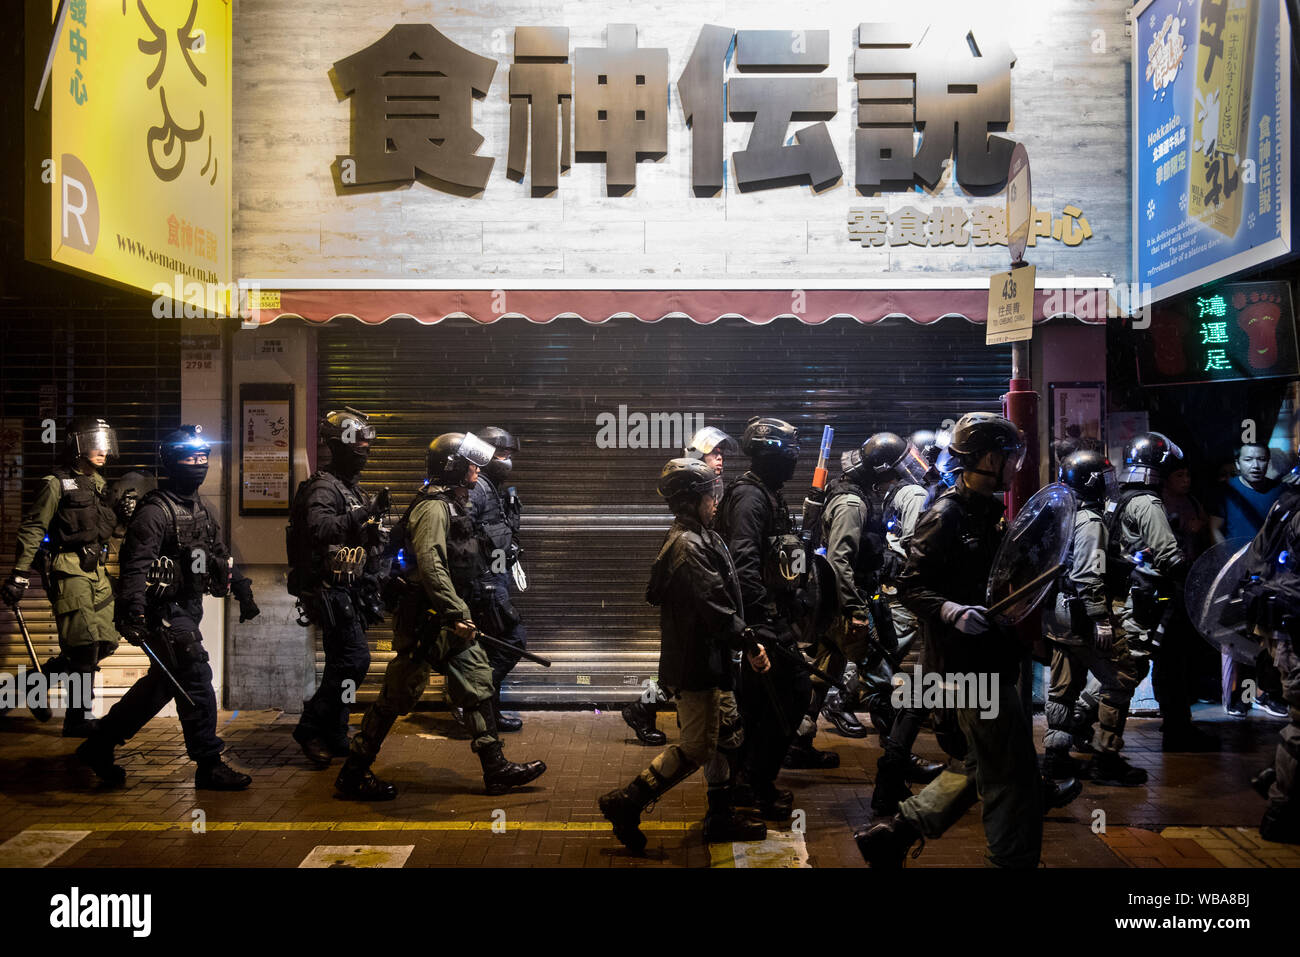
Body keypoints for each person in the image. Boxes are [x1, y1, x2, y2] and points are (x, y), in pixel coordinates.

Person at [855, 412, 1053, 868]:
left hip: (989, 658)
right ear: (986, 458)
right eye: (1007, 457)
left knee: (978, 765)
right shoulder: (947, 513)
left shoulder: (988, 513)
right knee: (1012, 776)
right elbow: (909, 583)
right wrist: (951, 611)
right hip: (966, 667)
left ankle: (893, 834)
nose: (1013, 466)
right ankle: (1012, 860)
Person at [335, 432, 546, 800]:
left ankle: (495, 769)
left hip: (444, 620)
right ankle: (353, 772)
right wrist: (456, 611)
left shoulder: (452, 503)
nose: (477, 471)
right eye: (471, 465)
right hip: (428, 621)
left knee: (478, 682)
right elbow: (432, 566)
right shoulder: (433, 508)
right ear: (453, 467)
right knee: (396, 697)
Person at [599, 458, 770, 852]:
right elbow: (714, 606)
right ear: (692, 500)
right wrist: (749, 641)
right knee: (697, 747)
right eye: (710, 494)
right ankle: (628, 802)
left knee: (728, 735)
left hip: (711, 661)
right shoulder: (688, 545)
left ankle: (720, 816)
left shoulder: (696, 535)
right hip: (698, 665)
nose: (716, 500)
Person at [76, 426, 259, 790]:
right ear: (171, 461)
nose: (197, 464)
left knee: (160, 686)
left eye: (203, 457)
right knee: (196, 678)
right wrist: (133, 613)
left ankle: (99, 744)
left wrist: (244, 591)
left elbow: (220, 554)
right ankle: (208, 762)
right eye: (189, 457)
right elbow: (135, 565)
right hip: (163, 613)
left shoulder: (202, 508)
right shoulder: (155, 512)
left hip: (189, 607)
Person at [1090, 432, 1215, 752]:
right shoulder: (1147, 502)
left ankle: (1175, 727)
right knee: (1130, 671)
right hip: (1149, 598)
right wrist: (1196, 579)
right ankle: (1096, 739)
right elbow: (1169, 557)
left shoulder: (1118, 497)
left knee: (1148, 664)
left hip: (1127, 594)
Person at [715, 416, 812, 819]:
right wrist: (765, 624)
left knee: (763, 706)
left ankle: (751, 783)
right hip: (761, 623)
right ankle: (754, 783)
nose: (794, 461)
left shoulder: (768, 493)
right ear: (770, 455)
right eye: (789, 453)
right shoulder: (752, 498)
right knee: (787, 697)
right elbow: (744, 565)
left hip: (770, 618)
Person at [2, 418, 123, 735]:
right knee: (84, 646)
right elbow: (32, 528)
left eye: (106, 442)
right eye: (96, 442)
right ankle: (78, 718)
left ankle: (34, 682)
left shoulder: (97, 483)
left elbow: (105, 526)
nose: (103, 450)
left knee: (107, 640)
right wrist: (19, 574)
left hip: (96, 569)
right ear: (78, 444)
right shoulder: (55, 483)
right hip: (68, 569)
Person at [623, 426, 738, 747]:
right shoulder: (691, 485)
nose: (721, 459)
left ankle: (642, 708)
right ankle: (642, 707)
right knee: (684, 666)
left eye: (722, 453)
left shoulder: (714, 485)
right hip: (694, 585)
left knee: (682, 666)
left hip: (708, 577)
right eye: (715, 453)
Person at [286, 408, 387, 768]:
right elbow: (320, 530)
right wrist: (363, 514)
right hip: (329, 590)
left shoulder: (348, 487)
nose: (365, 448)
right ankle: (309, 728)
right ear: (339, 444)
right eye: (359, 442)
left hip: (352, 589)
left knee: (339, 665)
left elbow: (353, 534)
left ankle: (335, 732)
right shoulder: (323, 487)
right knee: (354, 660)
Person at [1042, 451, 1147, 787]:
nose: (1108, 484)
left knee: (1064, 686)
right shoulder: (1090, 521)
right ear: (1090, 482)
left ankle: (1056, 757)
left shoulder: (1061, 513)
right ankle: (1106, 757)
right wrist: (1101, 618)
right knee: (1121, 679)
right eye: (1103, 478)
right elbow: (1088, 574)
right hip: (1085, 615)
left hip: (1059, 613)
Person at [1236, 456, 1300, 843]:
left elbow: (1255, 559)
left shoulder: (1284, 502)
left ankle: (1277, 778)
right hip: (1294, 625)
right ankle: (1281, 808)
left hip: (1279, 622)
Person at [1211, 443, 1286, 717]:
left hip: (1271, 576)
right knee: (1233, 637)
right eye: (1249, 459)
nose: (1256, 465)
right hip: (1235, 575)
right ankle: (1232, 696)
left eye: (1262, 459)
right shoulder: (1226, 491)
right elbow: (1214, 527)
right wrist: (1229, 563)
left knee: (1268, 636)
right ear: (1238, 462)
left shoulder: (1279, 491)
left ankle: (1264, 693)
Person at [468, 426, 528, 732]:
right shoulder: (475, 490)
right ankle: (472, 702)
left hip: (497, 579)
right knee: (513, 640)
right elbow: (462, 539)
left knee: (491, 650)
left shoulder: (490, 488)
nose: (507, 461)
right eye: (502, 454)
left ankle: (487, 712)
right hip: (484, 585)